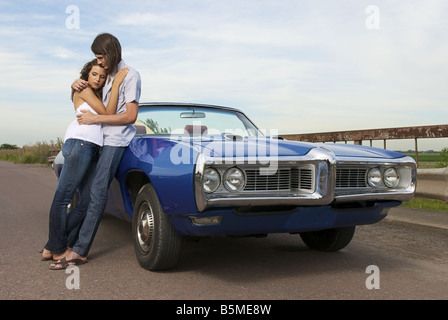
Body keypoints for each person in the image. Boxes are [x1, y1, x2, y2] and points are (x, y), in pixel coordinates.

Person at [50, 33, 141, 270]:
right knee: (87, 196)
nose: (99, 62)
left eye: (101, 57)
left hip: (115, 141)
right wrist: (75, 84)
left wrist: (96, 118)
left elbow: (131, 116)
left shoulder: (129, 75)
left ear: (111, 53)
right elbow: (88, 96)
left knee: (97, 193)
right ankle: (59, 244)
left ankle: (78, 250)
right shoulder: (107, 76)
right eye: (96, 60)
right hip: (98, 140)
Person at [42, 59, 129, 262]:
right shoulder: (84, 90)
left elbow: (103, 111)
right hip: (80, 145)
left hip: (90, 148)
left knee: (88, 200)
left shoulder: (93, 93)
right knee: (63, 197)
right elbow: (108, 113)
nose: (98, 79)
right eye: (93, 75)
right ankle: (56, 248)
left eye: (102, 76)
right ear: (86, 75)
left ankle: (51, 245)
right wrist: (116, 83)